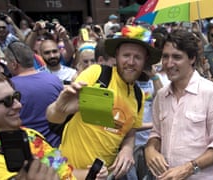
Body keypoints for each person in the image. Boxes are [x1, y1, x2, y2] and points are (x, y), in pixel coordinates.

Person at [46, 25, 162, 179]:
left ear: (145, 61)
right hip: (68, 172)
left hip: (104, 175)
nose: (131, 62)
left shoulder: (139, 96)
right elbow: (53, 117)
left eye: (138, 57)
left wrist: (127, 148)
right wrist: (59, 108)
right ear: (117, 56)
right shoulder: (97, 74)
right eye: (126, 55)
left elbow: (130, 131)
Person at [0, 58, 108, 180]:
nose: (18, 105)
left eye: (16, 97)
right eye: (7, 101)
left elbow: (61, 173)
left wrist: (89, 173)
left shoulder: (27, 134)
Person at [144, 29, 213, 180]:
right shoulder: (161, 96)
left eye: (177, 57)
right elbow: (156, 133)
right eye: (165, 56)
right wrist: (150, 149)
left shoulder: (212, 93)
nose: (169, 63)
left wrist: (189, 168)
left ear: (192, 59)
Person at [3, 41, 64, 147]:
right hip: (57, 146)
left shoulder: (8, 87)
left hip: (30, 148)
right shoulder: (54, 80)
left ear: (13, 64)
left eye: (7, 62)